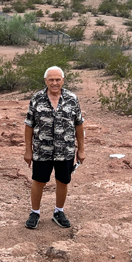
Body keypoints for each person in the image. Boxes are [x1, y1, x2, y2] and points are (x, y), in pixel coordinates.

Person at [24, 66, 85, 229]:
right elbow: (29, 125)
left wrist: (82, 149)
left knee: (63, 181)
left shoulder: (72, 98)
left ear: (63, 80)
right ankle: (34, 213)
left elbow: (79, 124)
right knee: (38, 181)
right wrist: (28, 150)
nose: (54, 82)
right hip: (42, 151)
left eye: (57, 79)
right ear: (46, 81)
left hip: (65, 150)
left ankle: (59, 211)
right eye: (51, 79)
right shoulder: (37, 99)